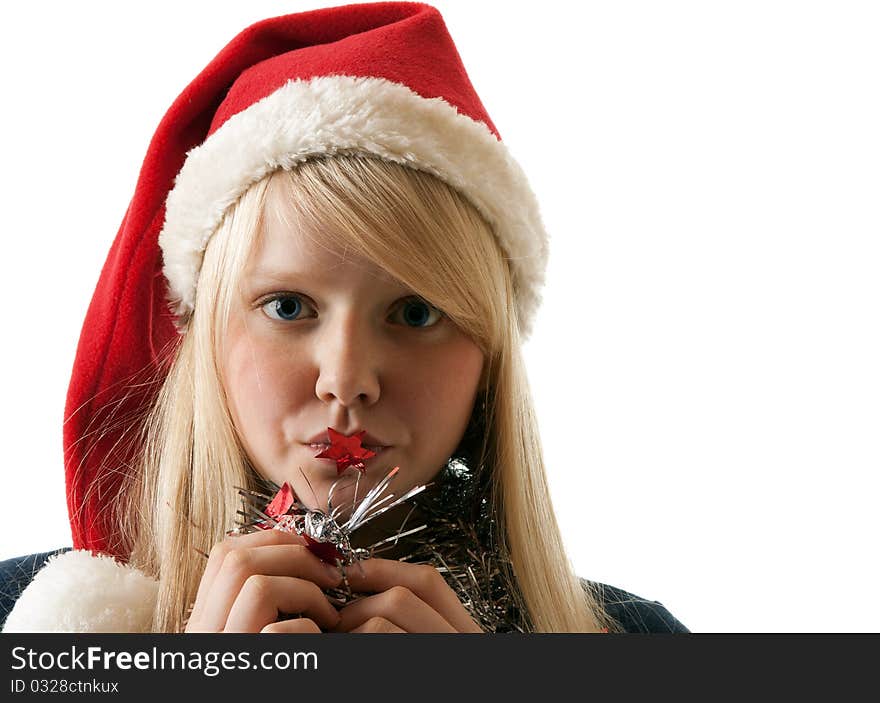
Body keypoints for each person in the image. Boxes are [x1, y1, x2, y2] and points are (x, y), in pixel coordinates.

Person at [1, 1, 687, 633]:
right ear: (204, 333)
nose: (348, 379)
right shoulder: (28, 617)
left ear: (489, 358)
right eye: (289, 307)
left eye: (415, 312)